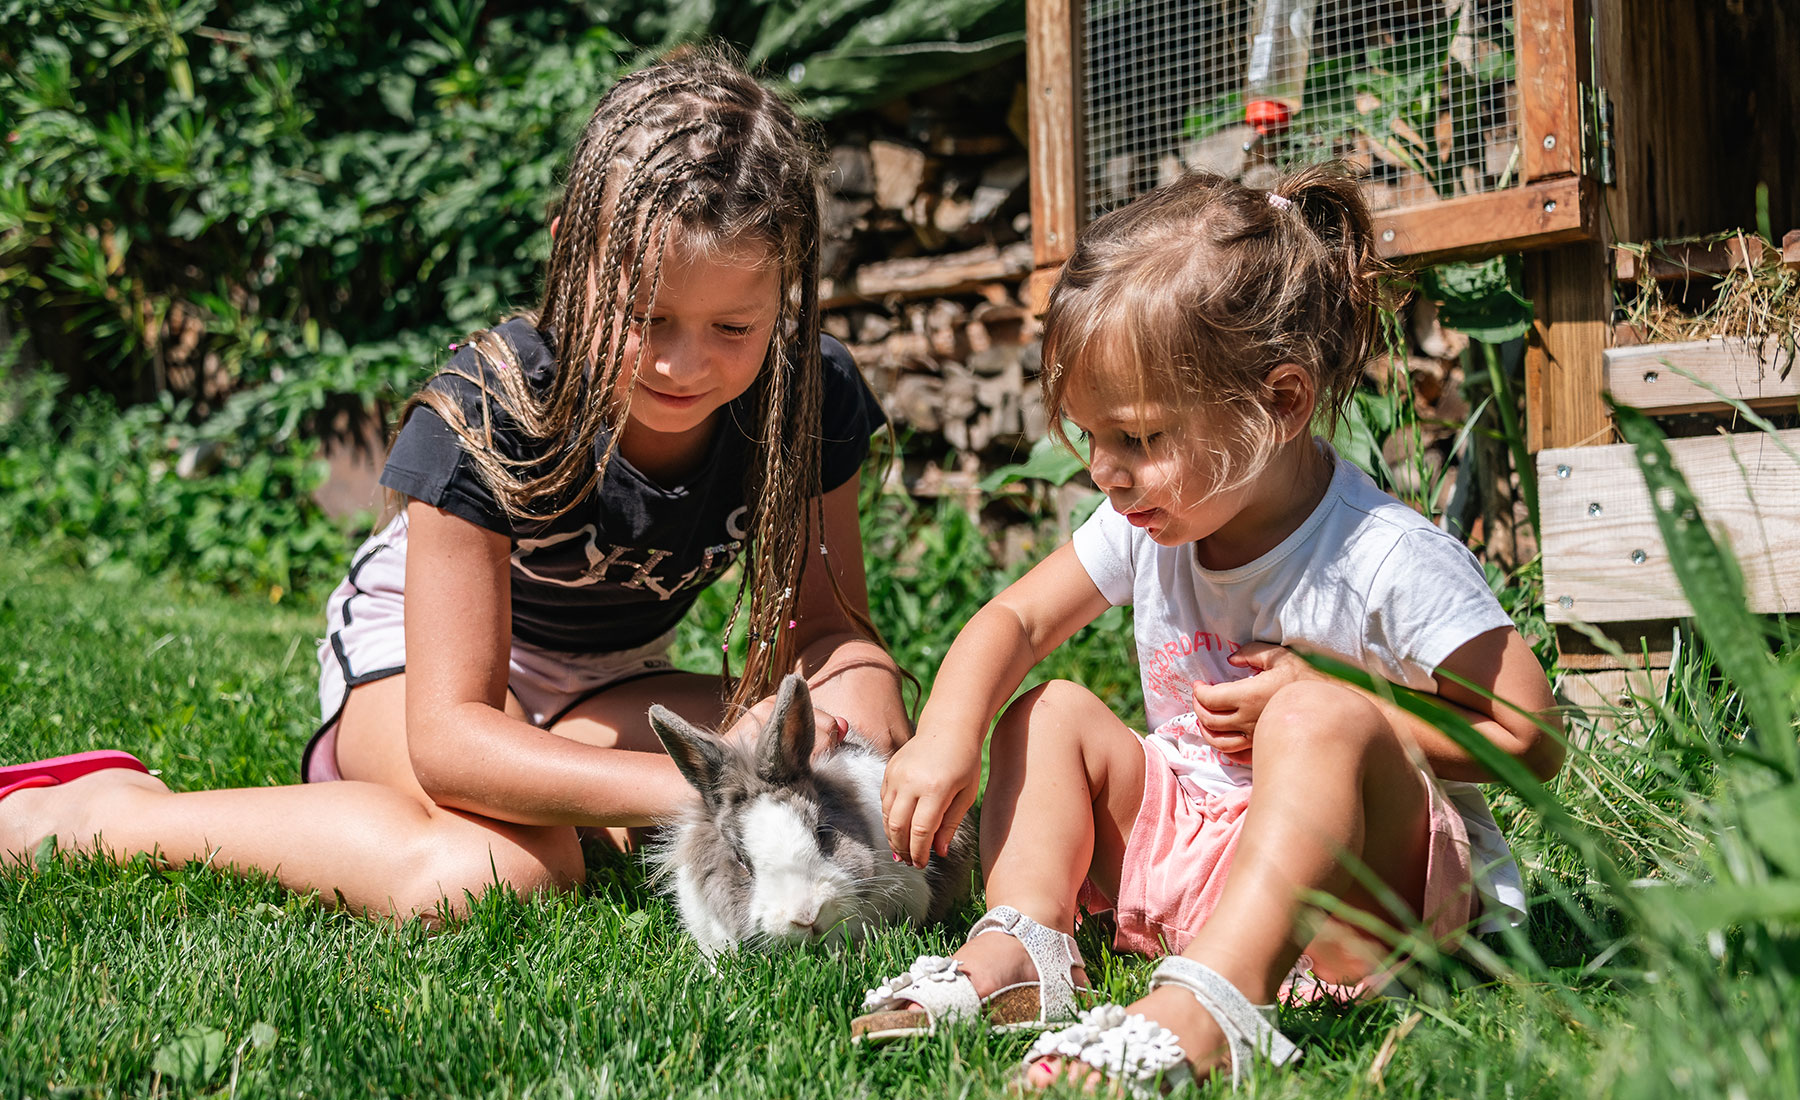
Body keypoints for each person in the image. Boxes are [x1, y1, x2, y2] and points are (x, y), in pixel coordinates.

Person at [0, 51, 907, 921]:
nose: (682, 363)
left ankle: (574, 798)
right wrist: (709, 784)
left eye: (733, 328)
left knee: (842, 750)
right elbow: (450, 740)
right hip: (427, 674)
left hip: (607, 682)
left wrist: (864, 726)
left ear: (788, 287)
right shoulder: (488, 407)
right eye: (645, 315)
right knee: (498, 871)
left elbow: (831, 632)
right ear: (570, 253)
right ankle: (97, 815)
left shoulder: (806, 398)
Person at [851, 166, 1562, 1091]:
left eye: (1141, 438)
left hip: (1362, 902)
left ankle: (1219, 1003)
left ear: (1281, 403)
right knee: (1049, 710)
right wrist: (949, 731)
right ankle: (1025, 944)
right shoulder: (1149, 521)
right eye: (1091, 437)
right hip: (1195, 853)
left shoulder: (1385, 557)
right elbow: (1017, 618)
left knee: (1312, 719)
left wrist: (1346, 700)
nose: (1105, 472)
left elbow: (1532, 738)